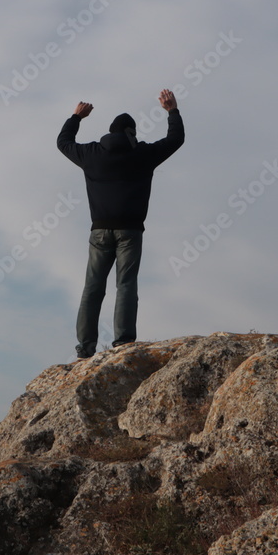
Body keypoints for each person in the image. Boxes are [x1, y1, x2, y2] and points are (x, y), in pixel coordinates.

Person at [57, 89, 185, 358]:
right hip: (130, 230)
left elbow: (64, 142)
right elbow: (176, 139)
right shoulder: (142, 153)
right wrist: (172, 111)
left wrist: (76, 117)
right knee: (125, 284)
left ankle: (85, 348)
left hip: (99, 230)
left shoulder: (92, 153)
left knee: (92, 288)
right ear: (131, 133)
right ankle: (123, 342)